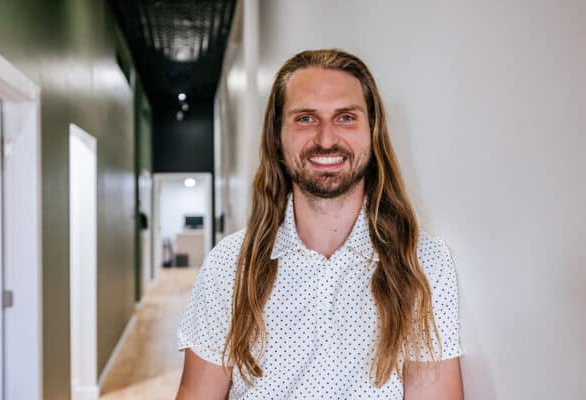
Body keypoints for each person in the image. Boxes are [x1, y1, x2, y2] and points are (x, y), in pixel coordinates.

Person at [175, 49, 463, 400]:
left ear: (372, 132)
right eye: (306, 119)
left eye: (345, 118)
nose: (326, 140)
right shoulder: (230, 265)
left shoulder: (423, 264)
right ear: (276, 138)